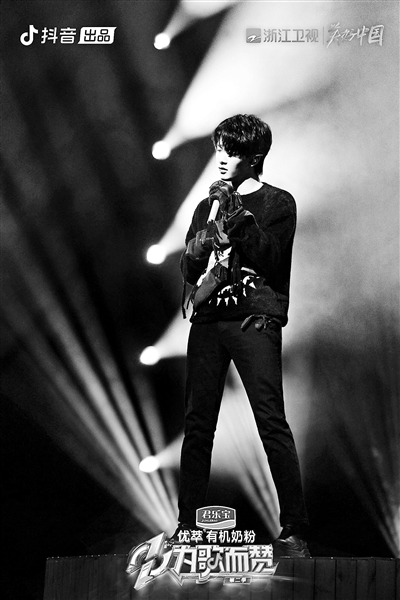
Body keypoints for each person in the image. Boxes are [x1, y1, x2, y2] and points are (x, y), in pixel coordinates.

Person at [169, 114, 310, 558]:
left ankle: (295, 530)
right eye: (219, 150)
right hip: (208, 323)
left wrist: (238, 218)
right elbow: (189, 269)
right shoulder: (204, 206)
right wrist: (198, 247)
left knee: (271, 422)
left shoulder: (278, 203)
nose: (222, 160)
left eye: (231, 152)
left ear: (255, 157)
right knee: (197, 426)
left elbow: (271, 257)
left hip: (254, 321)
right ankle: (186, 525)